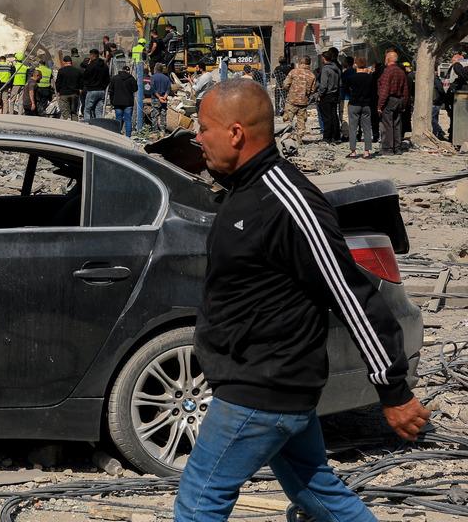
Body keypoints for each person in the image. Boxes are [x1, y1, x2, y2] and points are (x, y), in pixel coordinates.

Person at [176, 79, 428, 522]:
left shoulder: (289, 201)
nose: (197, 138)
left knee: (199, 500)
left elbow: (349, 293)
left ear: (236, 134)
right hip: (270, 385)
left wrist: (393, 390)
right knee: (317, 489)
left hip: (262, 388)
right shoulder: (245, 188)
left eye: (204, 129)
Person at [377, 51, 409, 155]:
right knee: (397, 125)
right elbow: (405, 90)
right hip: (399, 100)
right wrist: (404, 103)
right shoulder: (401, 72)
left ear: (388, 59)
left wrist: (380, 105)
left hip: (389, 100)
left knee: (388, 125)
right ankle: (397, 148)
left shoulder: (388, 71)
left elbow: (384, 90)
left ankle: (388, 149)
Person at [346, 56, 376, 158]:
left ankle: (353, 151)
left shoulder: (351, 78)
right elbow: (373, 92)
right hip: (366, 105)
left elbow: (346, 89)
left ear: (356, 64)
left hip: (354, 104)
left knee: (353, 128)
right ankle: (367, 151)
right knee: (367, 128)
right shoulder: (370, 78)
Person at [282, 57, 317, 140]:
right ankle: (299, 139)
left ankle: (287, 139)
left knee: (287, 120)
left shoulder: (293, 72)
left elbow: (285, 84)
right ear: (309, 64)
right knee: (301, 121)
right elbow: (313, 90)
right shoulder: (312, 75)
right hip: (303, 102)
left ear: (300, 63)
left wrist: (291, 91)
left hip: (291, 100)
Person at [316, 50, 342, 144]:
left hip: (326, 95)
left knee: (326, 117)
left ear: (325, 58)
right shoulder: (337, 69)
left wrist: (320, 94)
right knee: (334, 116)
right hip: (335, 94)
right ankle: (336, 136)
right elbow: (340, 83)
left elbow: (323, 85)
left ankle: (327, 137)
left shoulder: (325, 69)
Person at [109, 65, 137, 137]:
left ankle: (118, 136)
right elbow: (135, 89)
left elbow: (111, 91)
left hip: (117, 102)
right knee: (128, 120)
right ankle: (128, 137)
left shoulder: (115, 78)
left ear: (122, 70)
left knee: (118, 119)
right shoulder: (131, 78)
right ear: (128, 71)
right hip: (128, 103)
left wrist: (112, 101)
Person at [82, 49, 109, 119]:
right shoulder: (105, 66)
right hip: (102, 91)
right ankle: (99, 126)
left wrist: (88, 85)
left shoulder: (90, 66)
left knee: (87, 109)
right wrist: (103, 87)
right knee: (98, 110)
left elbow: (85, 77)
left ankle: (87, 125)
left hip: (92, 90)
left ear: (92, 55)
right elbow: (108, 79)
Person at [149, 63, 172, 133]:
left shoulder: (153, 77)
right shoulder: (166, 78)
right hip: (164, 100)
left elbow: (152, 88)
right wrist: (164, 97)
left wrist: (159, 97)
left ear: (155, 69)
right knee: (163, 115)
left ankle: (155, 131)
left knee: (154, 116)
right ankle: (163, 131)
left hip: (156, 99)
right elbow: (168, 89)